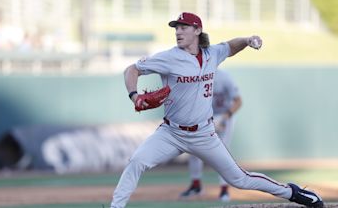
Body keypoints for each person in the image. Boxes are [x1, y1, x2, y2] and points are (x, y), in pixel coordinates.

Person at [110, 12, 323, 208]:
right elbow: (132, 70)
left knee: (240, 179)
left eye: (184, 27)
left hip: (204, 133)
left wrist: (248, 41)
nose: (178, 31)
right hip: (171, 133)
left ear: (197, 30)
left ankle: (293, 192)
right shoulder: (168, 57)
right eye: (176, 28)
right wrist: (134, 95)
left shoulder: (213, 54)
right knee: (137, 161)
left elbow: (231, 46)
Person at [179, 69, 242, 202]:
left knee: (222, 153)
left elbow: (238, 101)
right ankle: (196, 185)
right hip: (205, 118)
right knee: (194, 149)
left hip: (224, 117)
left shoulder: (224, 76)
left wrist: (226, 116)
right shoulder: (196, 76)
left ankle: (224, 190)